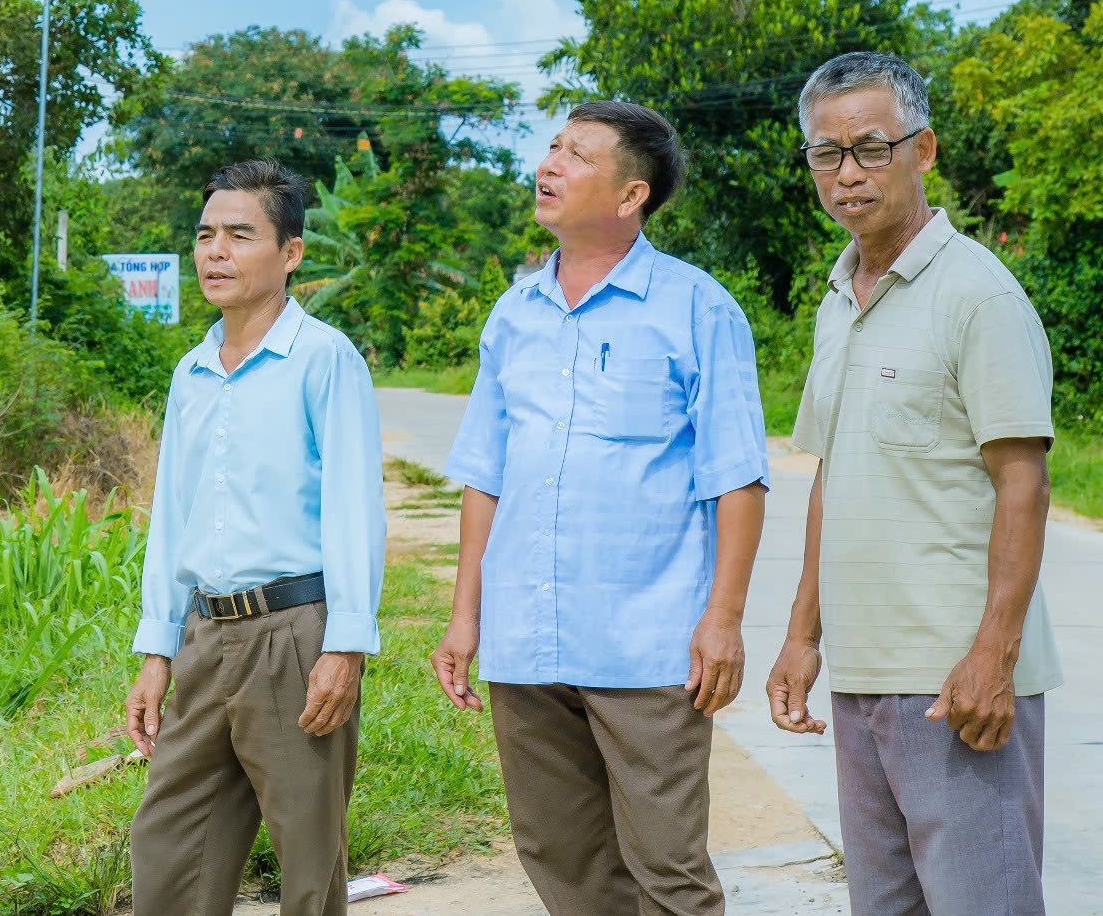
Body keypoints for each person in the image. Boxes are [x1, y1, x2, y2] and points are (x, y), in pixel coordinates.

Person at [430, 100, 770, 916]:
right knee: (561, 857)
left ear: (630, 196)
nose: (550, 165)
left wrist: (722, 618)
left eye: (577, 154)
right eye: (552, 147)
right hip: (528, 641)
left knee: (668, 869)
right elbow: (487, 476)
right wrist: (463, 615)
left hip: (648, 648)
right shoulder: (513, 315)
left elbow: (738, 478)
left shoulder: (697, 307)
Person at [764, 51, 1061, 916]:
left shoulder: (978, 296)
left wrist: (992, 656)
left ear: (922, 150)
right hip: (862, 677)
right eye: (827, 153)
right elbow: (832, 478)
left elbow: (1024, 486)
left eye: (870, 147)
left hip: (957, 685)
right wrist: (801, 636)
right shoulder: (837, 297)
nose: (847, 173)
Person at [124, 158, 387, 916]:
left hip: (294, 638)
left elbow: (352, 510)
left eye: (241, 235)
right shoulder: (192, 371)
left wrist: (346, 644)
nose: (215, 252)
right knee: (168, 845)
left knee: (308, 861)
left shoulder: (323, 360)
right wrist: (157, 648)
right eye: (206, 234)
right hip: (206, 635)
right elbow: (172, 515)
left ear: (291, 253)